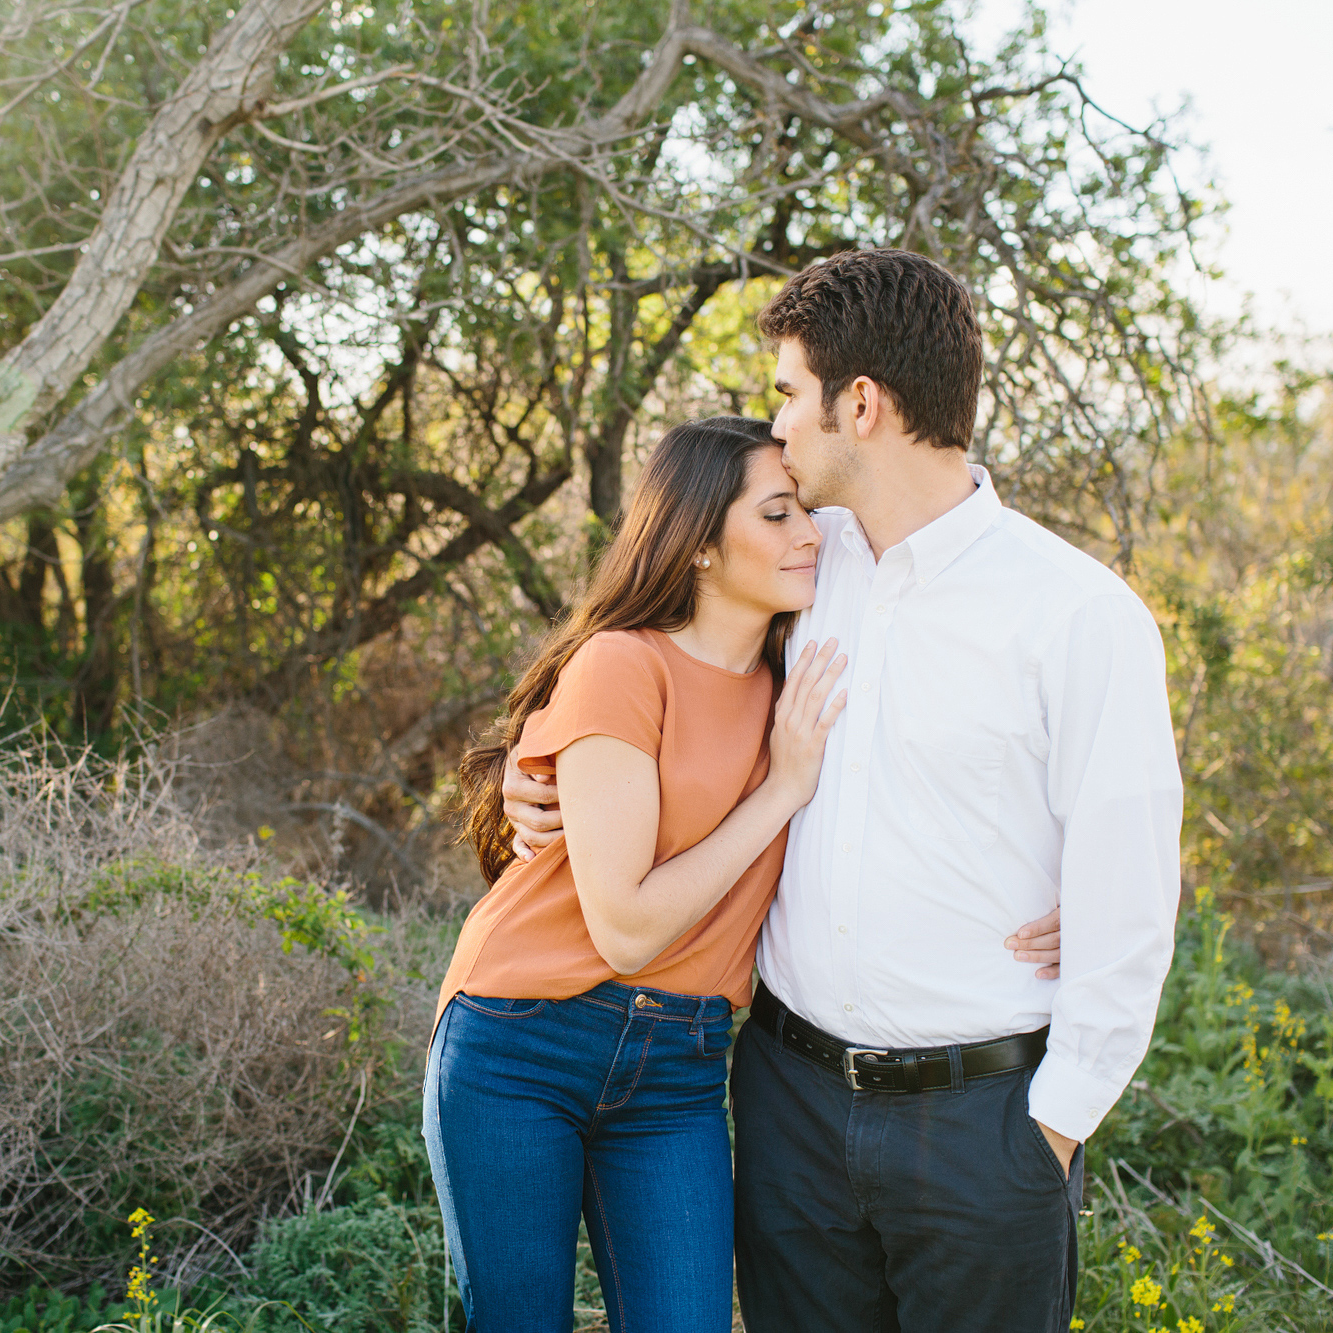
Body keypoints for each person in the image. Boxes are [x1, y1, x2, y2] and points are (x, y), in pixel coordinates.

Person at [503, 248, 1182, 1332]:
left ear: (857, 403)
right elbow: (633, 660)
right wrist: (526, 768)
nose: (772, 429)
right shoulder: (793, 566)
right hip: (789, 1109)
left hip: (984, 1126)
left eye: (785, 395)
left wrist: (1046, 1133)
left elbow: (1133, 902)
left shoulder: (1077, 616)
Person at [430, 414, 1062, 1332]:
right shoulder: (622, 664)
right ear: (695, 545)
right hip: (523, 1040)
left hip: (680, 1068)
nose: (810, 533)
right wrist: (781, 788)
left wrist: (1078, 891)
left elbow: (958, 766)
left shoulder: (797, 673)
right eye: (776, 514)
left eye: (802, 509)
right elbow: (627, 928)